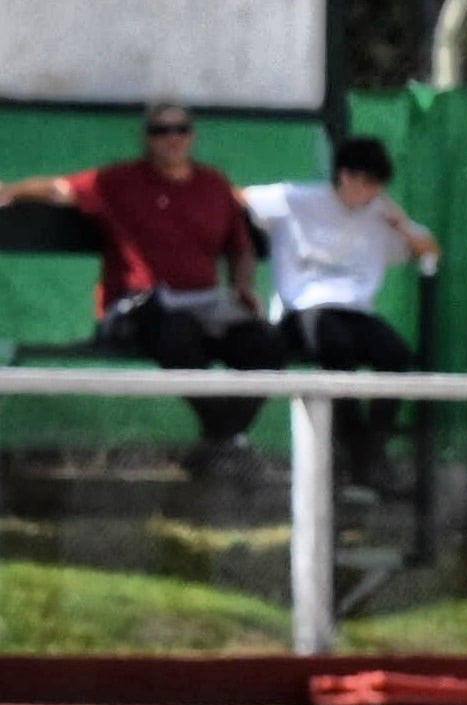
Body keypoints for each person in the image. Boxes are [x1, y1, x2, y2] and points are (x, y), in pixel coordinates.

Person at [0, 101, 286, 476]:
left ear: (192, 136)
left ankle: (220, 440)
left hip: (206, 306)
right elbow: (59, 189)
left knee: (267, 343)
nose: (172, 138)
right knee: (178, 333)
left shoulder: (213, 184)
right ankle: (228, 440)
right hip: (138, 307)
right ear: (147, 138)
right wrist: (13, 190)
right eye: (161, 131)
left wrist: (243, 290)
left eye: (180, 129)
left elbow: (241, 249)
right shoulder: (119, 181)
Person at [241, 137, 440, 492]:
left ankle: (374, 448)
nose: (373, 192)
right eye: (367, 182)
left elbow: (430, 250)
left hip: (355, 310)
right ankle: (359, 453)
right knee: (336, 347)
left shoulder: (381, 215)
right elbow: (235, 198)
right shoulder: (296, 199)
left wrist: (401, 223)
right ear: (344, 176)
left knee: (394, 354)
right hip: (303, 309)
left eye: (379, 185)